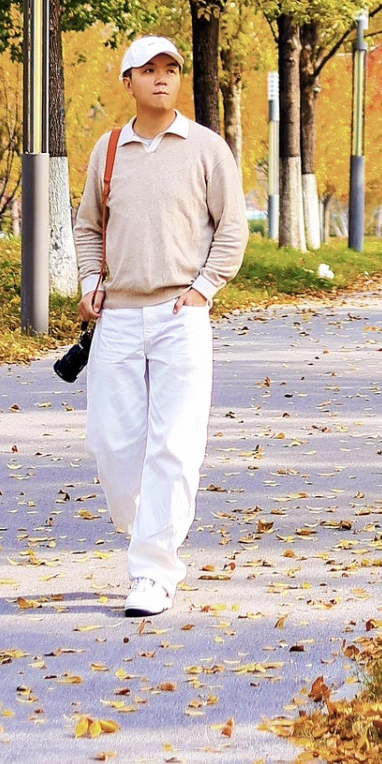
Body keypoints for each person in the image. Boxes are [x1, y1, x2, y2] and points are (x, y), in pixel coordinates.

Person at [73, 36, 248, 617]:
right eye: (148, 69)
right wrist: (89, 282)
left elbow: (232, 227)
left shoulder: (207, 148)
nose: (161, 77)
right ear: (128, 81)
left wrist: (204, 289)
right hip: (118, 317)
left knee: (174, 443)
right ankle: (150, 525)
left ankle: (153, 571)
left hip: (181, 315)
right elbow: (88, 227)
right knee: (111, 443)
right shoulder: (108, 150)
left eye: (170, 68)